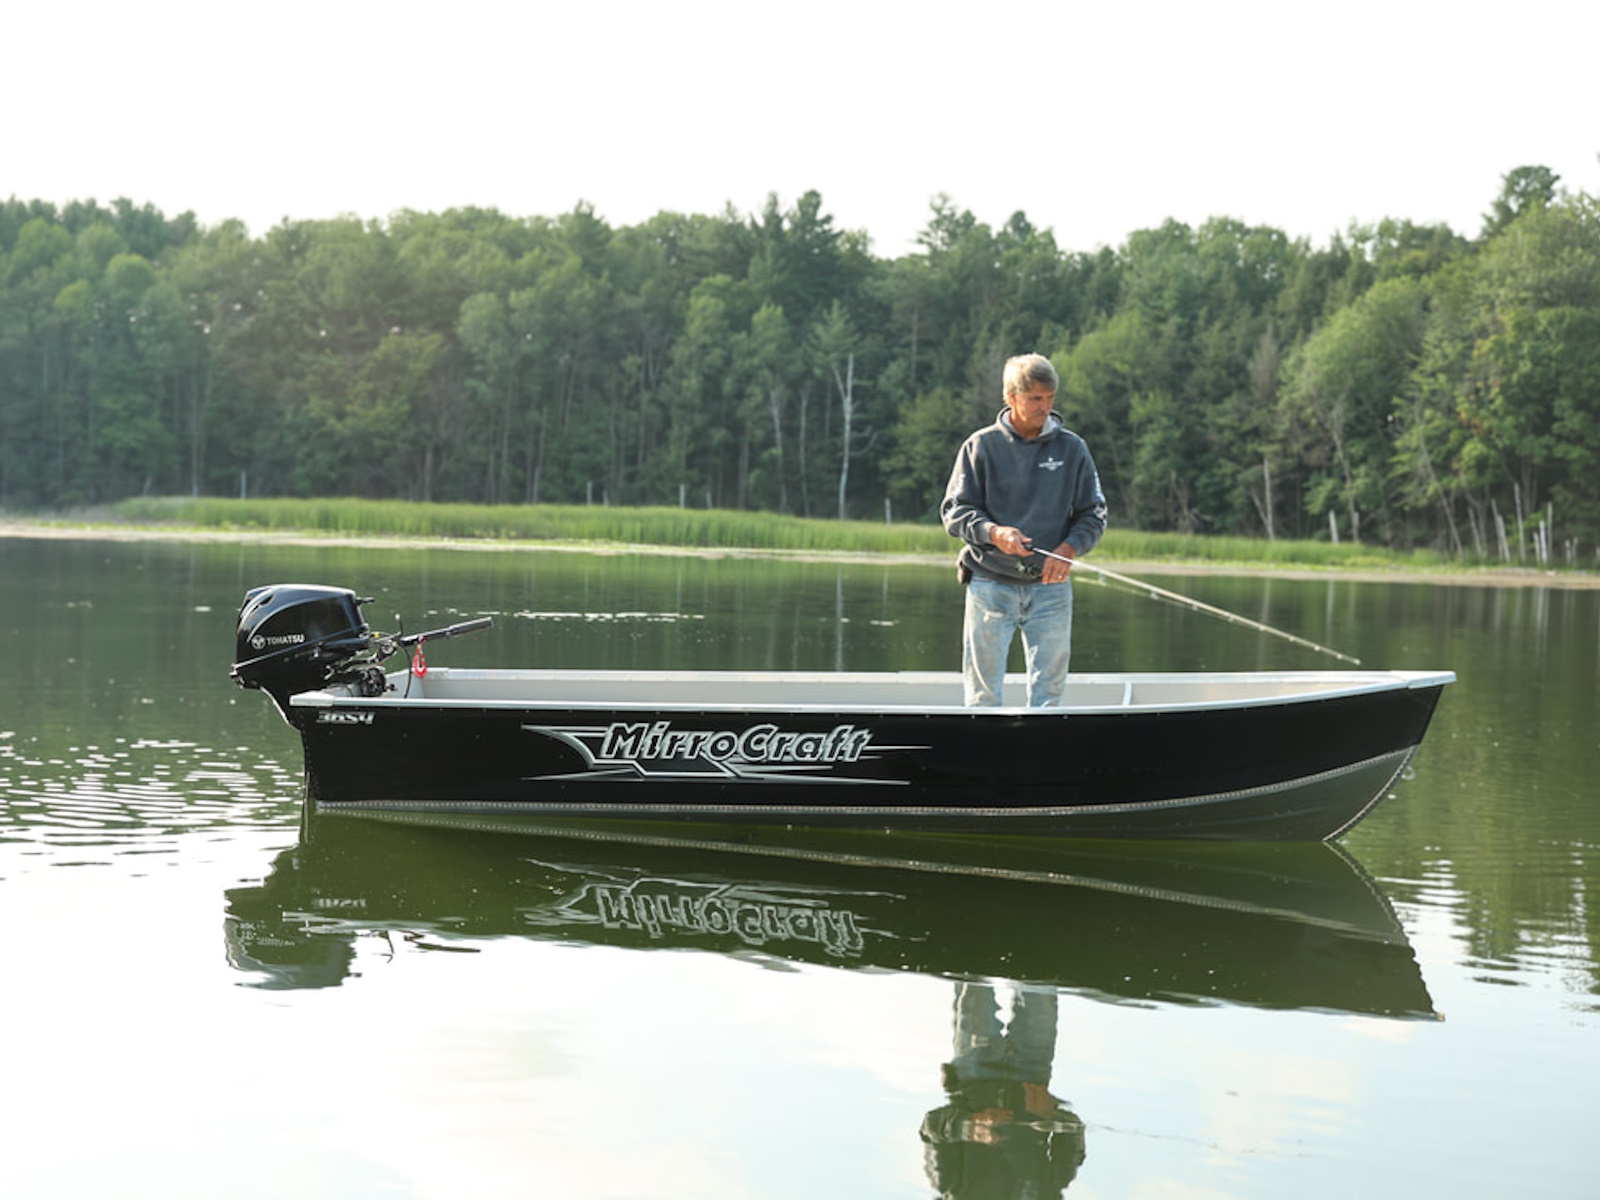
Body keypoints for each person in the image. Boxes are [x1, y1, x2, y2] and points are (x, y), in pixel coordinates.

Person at [941, 354, 1106, 707]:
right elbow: (954, 511)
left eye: (1050, 398)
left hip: (1051, 588)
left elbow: (1094, 514)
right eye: (1035, 398)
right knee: (983, 697)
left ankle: (1043, 742)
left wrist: (1069, 549)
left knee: (1049, 698)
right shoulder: (980, 446)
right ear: (1011, 396)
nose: (1044, 407)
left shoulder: (1073, 448)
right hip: (989, 584)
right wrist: (994, 533)